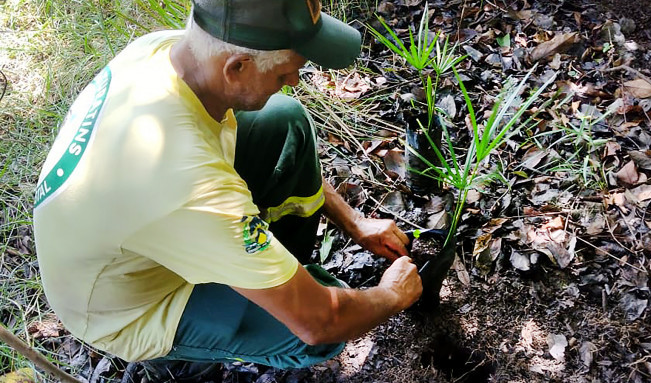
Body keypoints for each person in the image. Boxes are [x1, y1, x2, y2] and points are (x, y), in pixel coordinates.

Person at [33, 0, 422, 379]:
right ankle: (173, 360)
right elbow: (320, 321)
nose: (294, 80)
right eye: (286, 71)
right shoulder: (187, 184)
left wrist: (354, 222)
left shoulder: (167, 54)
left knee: (282, 120)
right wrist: (392, 296)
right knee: (314, 319)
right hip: (130, 305)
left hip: (135, 227)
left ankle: (273, 267)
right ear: (236, 67)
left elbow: (197, 175)